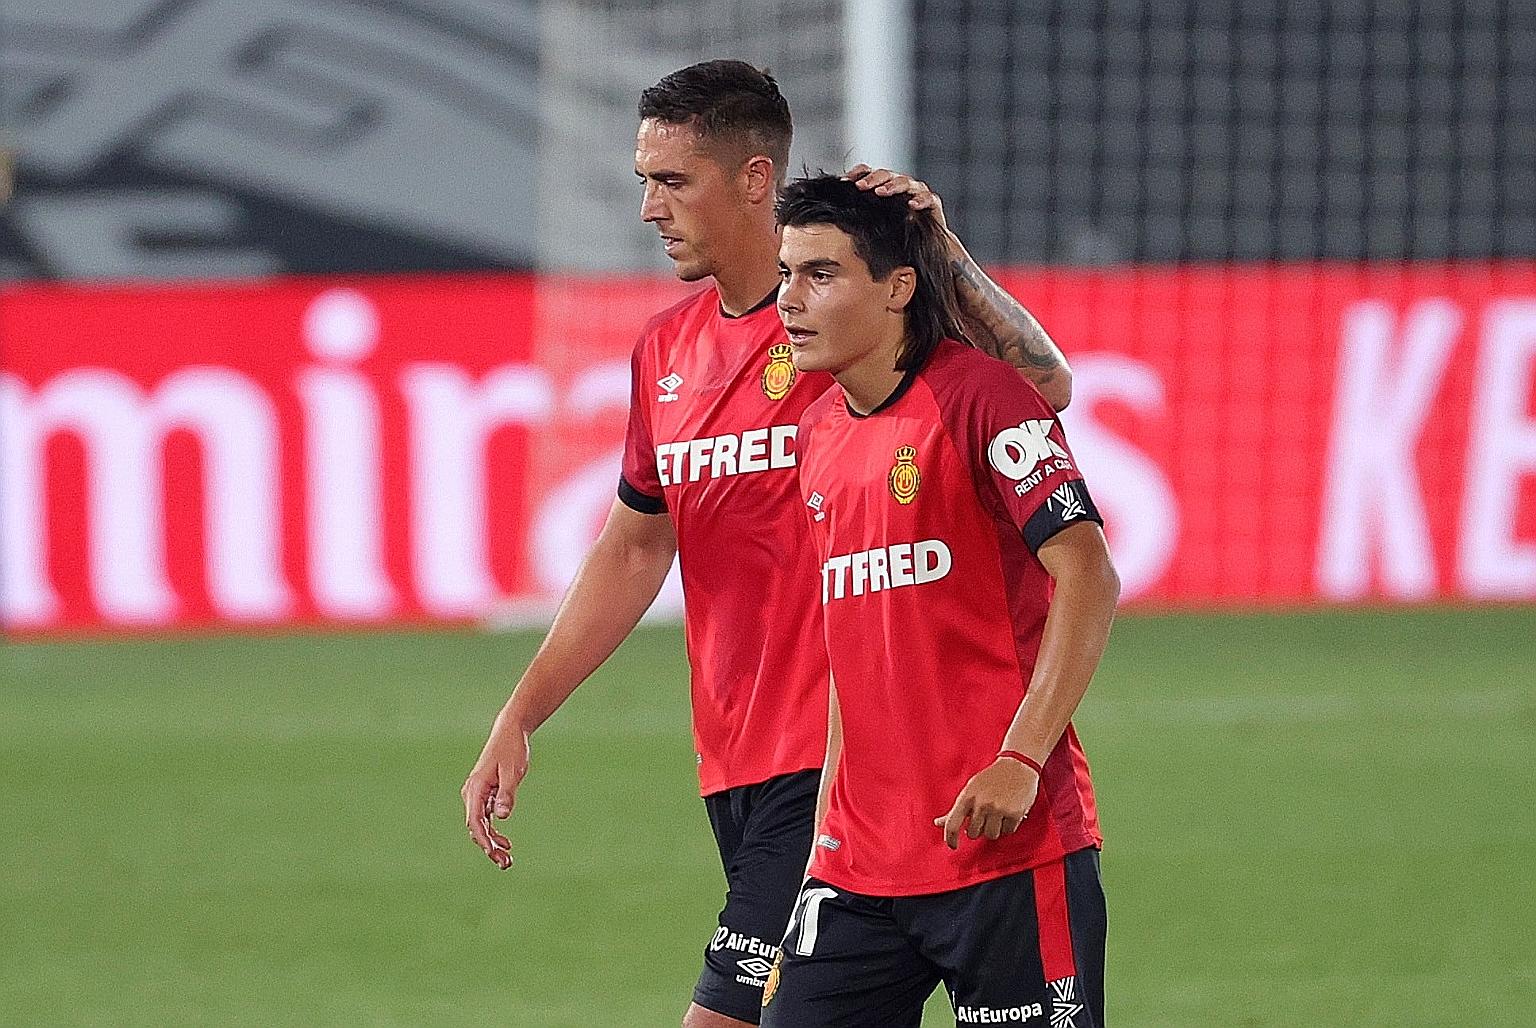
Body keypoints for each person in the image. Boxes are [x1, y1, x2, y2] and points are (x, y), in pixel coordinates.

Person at [461, 61, 1074, 1028]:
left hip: (837, 760)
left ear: (755, 179)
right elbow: (635, 548)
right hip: (735, 762)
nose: (651, 208)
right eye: (644, 182)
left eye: (674, 181)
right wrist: (522, 713)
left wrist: (944, 257)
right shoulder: (666, 352)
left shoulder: (848, 332)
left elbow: (1034, 391)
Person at [763, 175, 1119, 1027]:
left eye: (820, 274)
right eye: (785, 274)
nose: (789, 300)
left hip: (1004, 847)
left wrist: (1021, 758)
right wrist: (822, 838)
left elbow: (1090, 574)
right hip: (857, 865)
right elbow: (853, 655)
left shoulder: (983, 398)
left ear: (897, 287)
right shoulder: (816, 433)